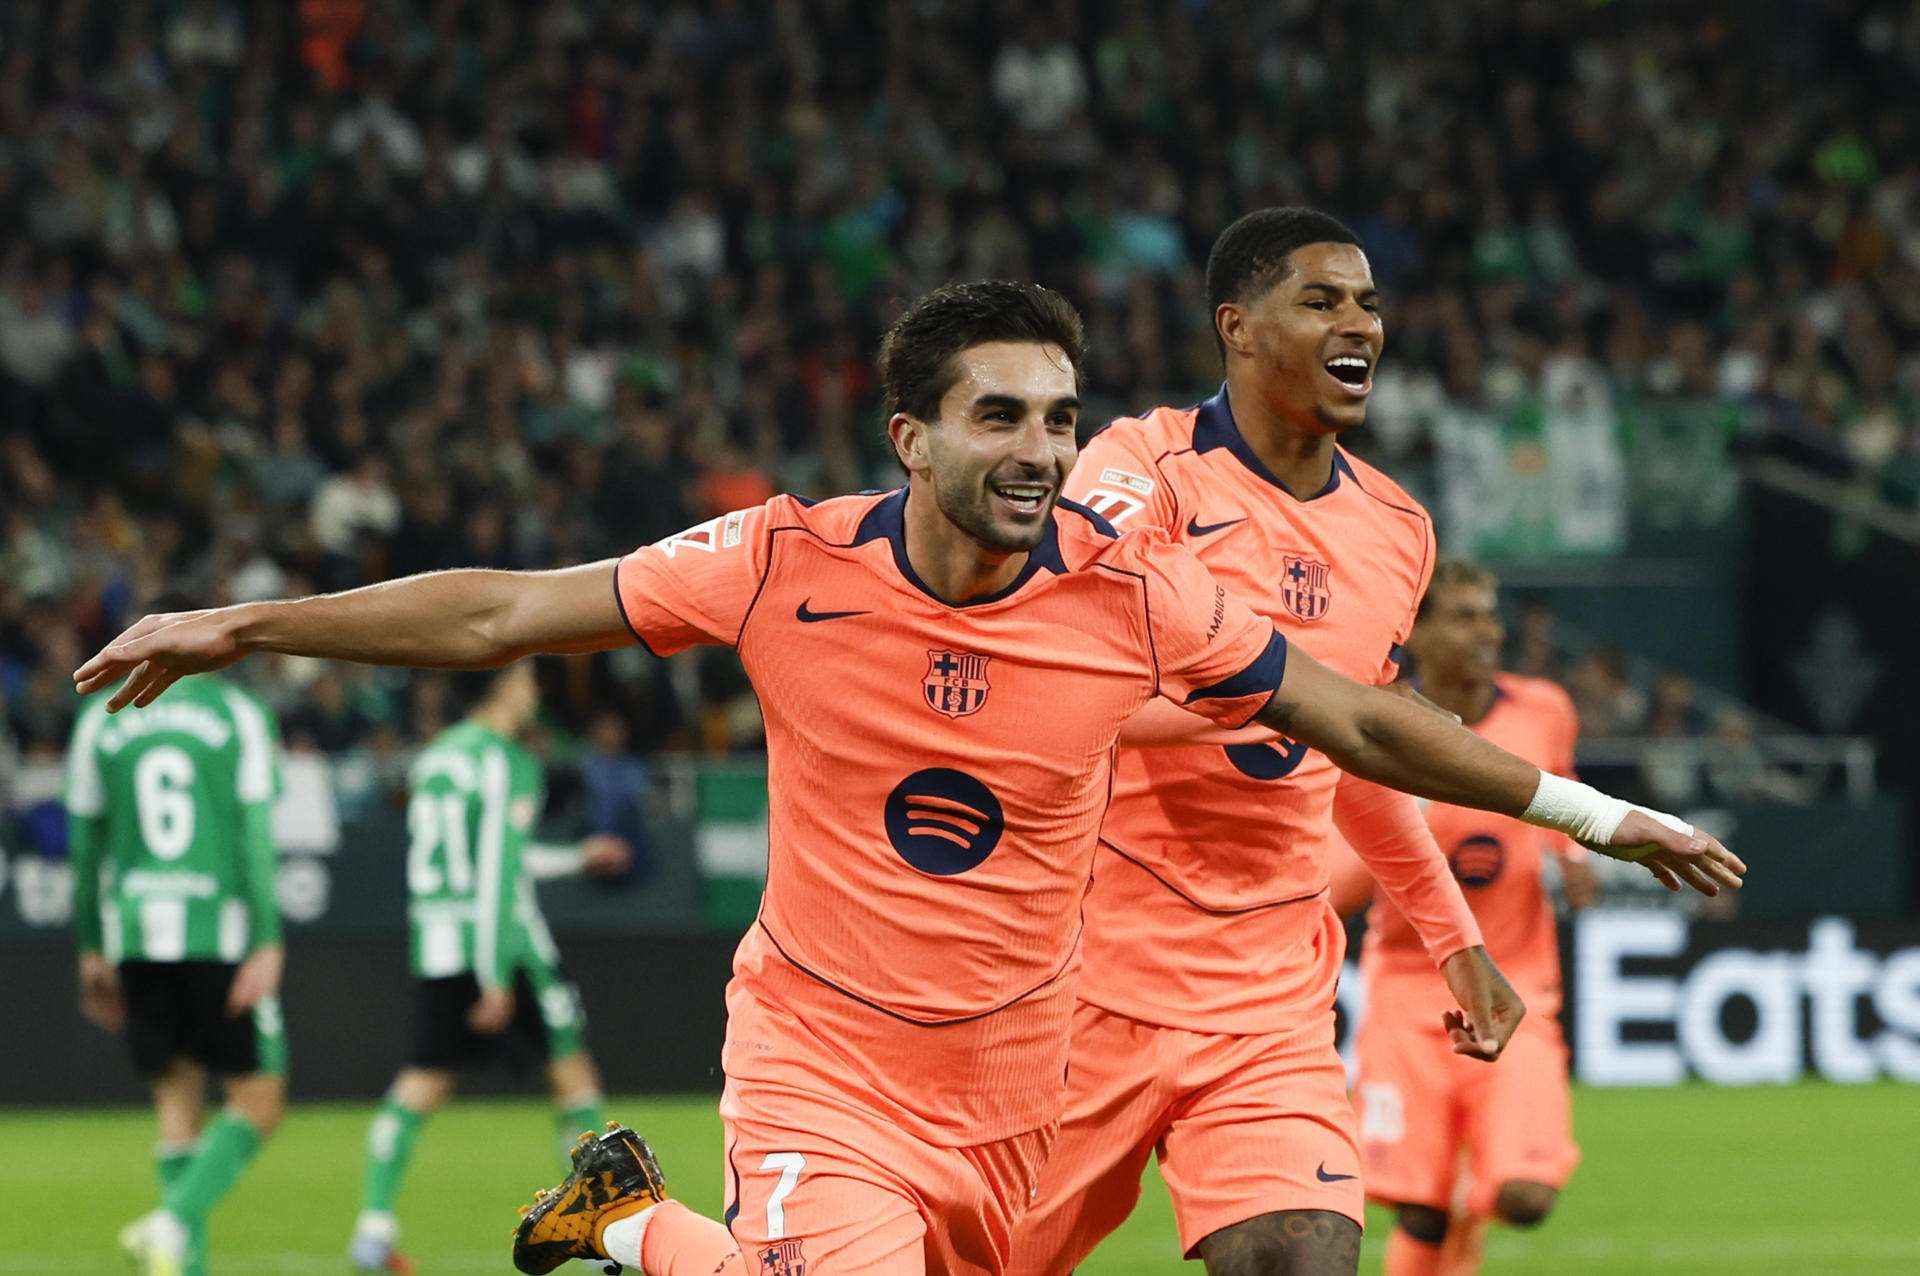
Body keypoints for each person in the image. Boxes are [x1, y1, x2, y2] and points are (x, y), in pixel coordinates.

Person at [73, 282, 1741, 1276]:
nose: (1037, 446)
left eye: (1059, 415)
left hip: (1023, 1080)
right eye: (998, 415)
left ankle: (631, 1222)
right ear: (911, 438)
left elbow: (1358, 718)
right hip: (826, 1065)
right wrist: (250, 621)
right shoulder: (781, 561)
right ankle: (655, 1217)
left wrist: (1590, 810)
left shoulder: (1128, 591)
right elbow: (513, 605)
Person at [1010, 208, 1505, 1276]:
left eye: (1369, 301)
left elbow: (1358, 752)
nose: (1359, 322)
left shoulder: (1398, 530)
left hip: (1266, 998)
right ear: (1238, 326)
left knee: (1304, 1250)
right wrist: (1271, 690)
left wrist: (1453, 940)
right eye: (1322, 298)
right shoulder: (1143, 472)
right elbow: (1055, 685)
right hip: (1078, 979)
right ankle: (648, 1233)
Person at [1333, 560, 1598, 1276]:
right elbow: (1336, 890)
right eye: (1465, 616)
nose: (1488, 631)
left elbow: (1560, 797)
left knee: (1523, 1196)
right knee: (1417, 1208)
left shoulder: (1543, 709)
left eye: (1489, 613)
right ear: (1414, 633)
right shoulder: (1377, 726)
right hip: (1407, 992)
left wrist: (1574, 859)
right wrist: (1402, 810)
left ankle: (1464, 1203)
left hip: (1519, 986)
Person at [348, 662, 634, 1274]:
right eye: (527, 677)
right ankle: (598, 1239)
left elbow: (488, 857)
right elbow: (495, 877)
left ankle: (373, 1227)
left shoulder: (437, 758)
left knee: (422, 1081)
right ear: (502, 685)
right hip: (502, 945)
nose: (534, 689)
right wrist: (494, 972)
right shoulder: (507, 762)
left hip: (439, 940)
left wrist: (572, 860)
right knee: (573, 1079)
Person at [66, 623, 287, 1276]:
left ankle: (181, 1264)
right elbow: (253, 834)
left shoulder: (98, 721)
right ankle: (171, 1223)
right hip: (214, 929)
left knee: (176, 1102)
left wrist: (89, 946)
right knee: (260, 1101)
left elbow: (85, 849)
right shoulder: (237, 713)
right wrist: (267, 939)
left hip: (135, 932)